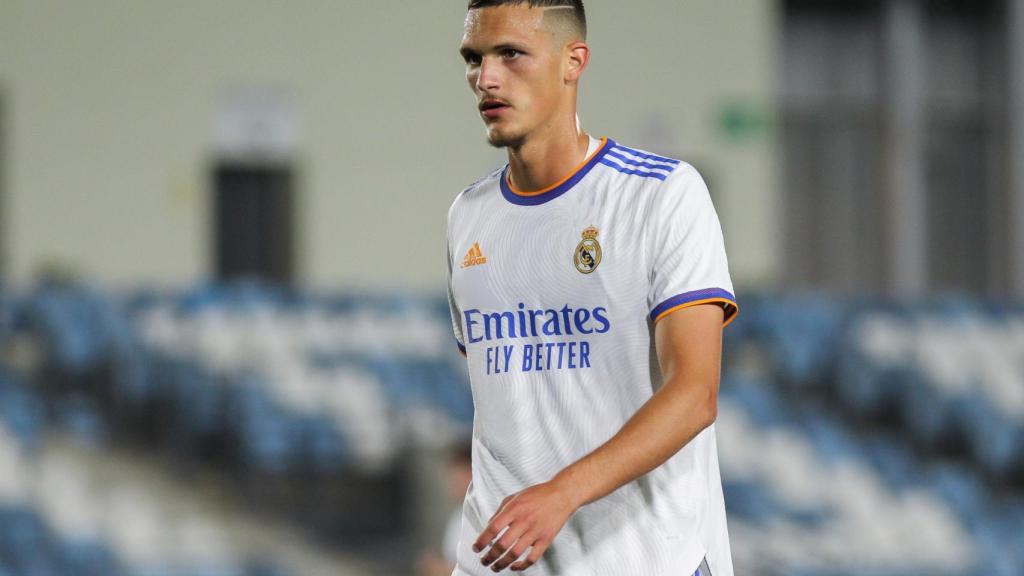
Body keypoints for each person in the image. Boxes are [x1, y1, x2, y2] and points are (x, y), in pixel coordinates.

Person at [445, 1, 739, 574]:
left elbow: (694, 394)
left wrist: (562, 493)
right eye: (473, 58)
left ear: (572, 61)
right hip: (501, 561)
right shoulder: (466, 216)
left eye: (511, 53)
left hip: (644, 559)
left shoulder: (663, 196)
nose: (487, 77)